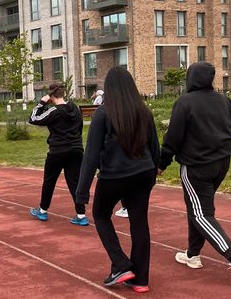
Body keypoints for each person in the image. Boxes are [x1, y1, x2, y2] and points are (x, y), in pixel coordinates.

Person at [76, 67, 159, 293]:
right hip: (143, 174)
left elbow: (91, 155)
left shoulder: (102, 114)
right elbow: (154, 148)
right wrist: (151, 177)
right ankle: (141, 279)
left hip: (114, 176)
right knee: (139, 223)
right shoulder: (144, 111)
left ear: (109, 89)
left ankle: (121, 264)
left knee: (101, 215)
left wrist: (81, 192)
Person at [158, 62, 231, 282]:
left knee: (201, 214)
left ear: (190, 78)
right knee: (198, 209)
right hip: (222, 163)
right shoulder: (226, 102)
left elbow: (172, 138)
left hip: (196, 166)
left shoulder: (185, 102)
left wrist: (162, 163)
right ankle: (193, 255)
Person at [28, 83, 88, 226]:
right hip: (76, 150)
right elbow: (79, 129)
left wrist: (42, 102)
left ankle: (42, 211)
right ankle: (81, 214)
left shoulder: (54, 111)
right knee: (74, 182)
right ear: (64, 94)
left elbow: (33, 118)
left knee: (49, 181)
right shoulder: (75, 109)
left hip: (57, 151)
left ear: (51, 96)